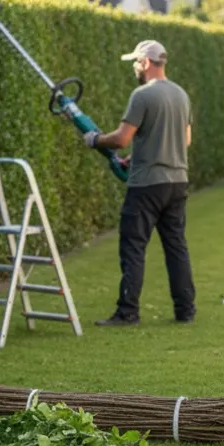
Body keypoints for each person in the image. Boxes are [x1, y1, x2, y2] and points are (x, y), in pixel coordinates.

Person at [83, 39, 196, 327]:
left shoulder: (143, 95)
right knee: (176, 247)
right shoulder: (181, 95)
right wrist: (137, 157)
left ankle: (127, 312)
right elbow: (185, 140)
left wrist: (95, 139)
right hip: (177, 181)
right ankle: (185, 310)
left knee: (133, 247)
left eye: (136, 62)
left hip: (147, 184)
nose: (135, 67)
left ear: (146, 63)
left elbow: (121, 138)